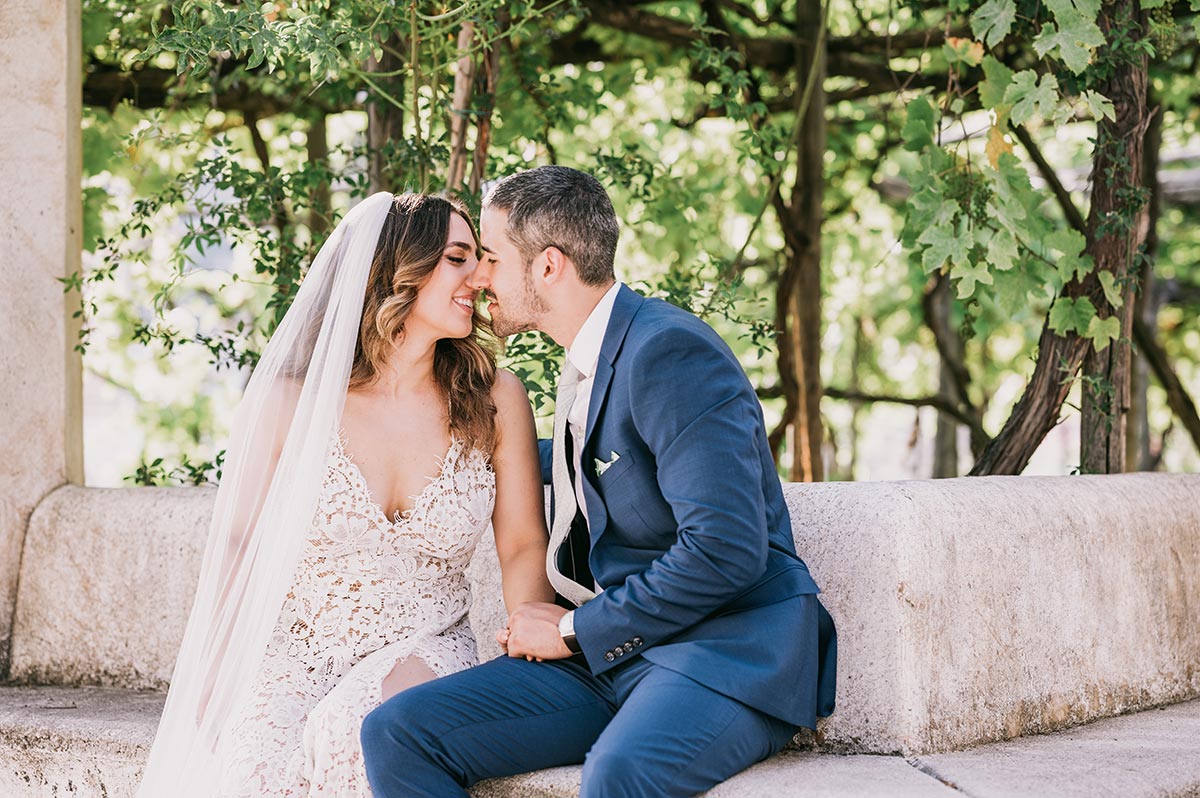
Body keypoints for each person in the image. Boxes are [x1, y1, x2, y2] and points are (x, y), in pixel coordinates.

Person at [360, 166, 837, 798]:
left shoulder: (669, 353)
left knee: (619, 775)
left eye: (493, 258)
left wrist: (568, 630)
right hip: (615, 654)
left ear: (549, 266)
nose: (479, 277)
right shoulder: (586, 364)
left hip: (722, 652)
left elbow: (726, 549)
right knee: (399, 730)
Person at [136, 192, 555, 798]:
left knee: (350, 736)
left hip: (425, 647)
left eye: (480, 260)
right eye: (458, 259)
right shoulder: (290, 402)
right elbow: (237, 542)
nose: (480, 278)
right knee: (254, 773)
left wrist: (528, 658)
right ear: (398, 270)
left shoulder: (496, 397)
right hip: (294, 653)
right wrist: (216, 673)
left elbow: (520, 544)